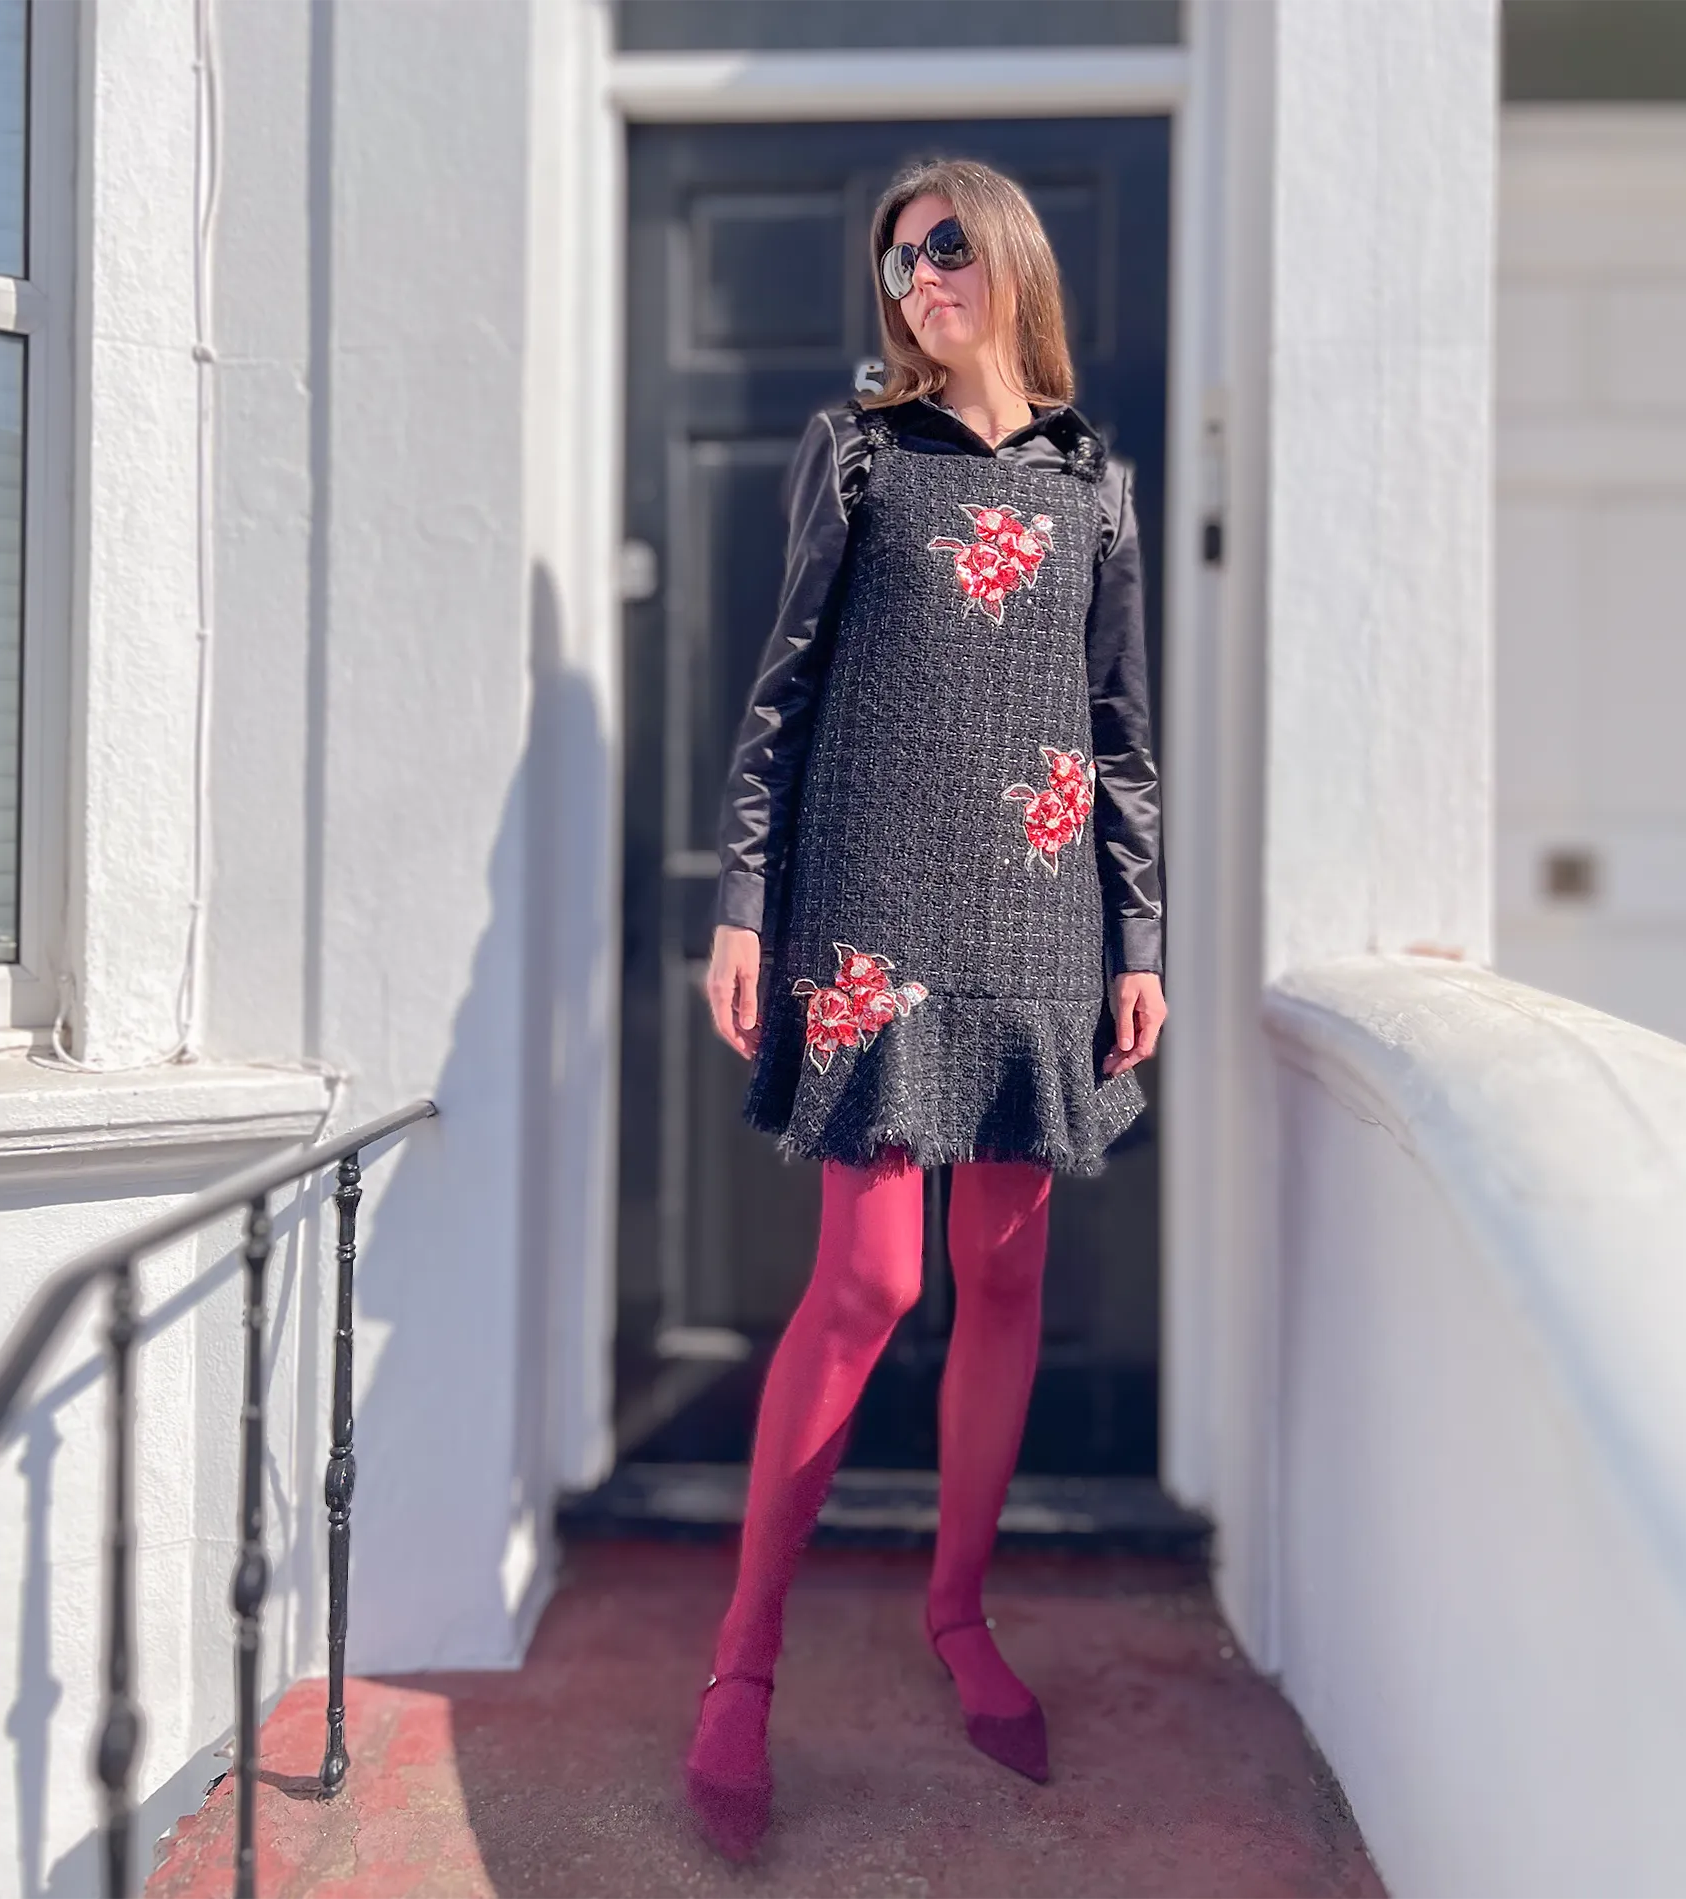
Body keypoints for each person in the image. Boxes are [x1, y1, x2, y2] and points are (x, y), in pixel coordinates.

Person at [683, 155, 1167, 1860]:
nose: (921, 279)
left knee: (1005, 1271)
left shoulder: (1096, 482)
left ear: (1012, 255)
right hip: (870, 908)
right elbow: (782, 693)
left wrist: (1140, 936)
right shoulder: (857, 451)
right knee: (873, 1278)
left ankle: (959, 1611)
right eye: (898, 260)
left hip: (1041, 911)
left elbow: (1119, 732)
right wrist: (743, 903)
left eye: (947, 246)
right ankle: (743, 1660)